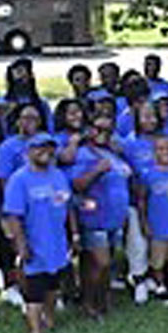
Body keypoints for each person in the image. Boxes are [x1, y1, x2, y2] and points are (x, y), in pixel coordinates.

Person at [2, 133, 78, 333]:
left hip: (57, 242)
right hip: (34, 244)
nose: (45, 152)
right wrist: (21, 245)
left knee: (53, 286)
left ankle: (50, 319)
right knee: (34, 292)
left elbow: (68, 205)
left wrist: (75, 234)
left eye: (49, 147)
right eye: (38, 148)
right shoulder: (19, 180)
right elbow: (13, 216)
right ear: (28, 152)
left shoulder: (58, 176)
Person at [68, 115, 132, 320]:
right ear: (90, 130)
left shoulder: (113, 154)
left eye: (109, 130)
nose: (104, 134)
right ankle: (88, 303)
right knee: (98, 262)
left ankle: (102, 301)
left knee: (106, 263)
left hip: (115, 217)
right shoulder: (84, 155)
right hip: (94, 217)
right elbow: (77, 184)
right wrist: (97, 170)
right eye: (99, 129)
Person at [136, 136, 168, 305]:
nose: (164, 152)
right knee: (158, 260)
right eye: (160, 149)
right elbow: (142, 199)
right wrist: (144, 222)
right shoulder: (148, 173)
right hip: (157, 224)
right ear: (154, 152)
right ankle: (160, 286)